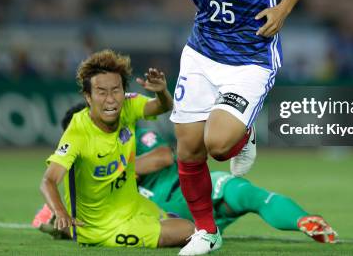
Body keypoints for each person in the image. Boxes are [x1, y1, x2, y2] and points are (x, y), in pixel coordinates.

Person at [134, 0, 320, 255]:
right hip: (201, 53)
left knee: (218, 146)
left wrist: (283, 10)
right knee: (188, 149)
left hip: (251, 57)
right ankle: (206, 231)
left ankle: (243, 134)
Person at [33, 103, 337, 245]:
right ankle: (299, 220)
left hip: (180, 191)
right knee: (240, 191)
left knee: (242, 193)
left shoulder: (130, 131)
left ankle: (303, 221)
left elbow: (164, 156)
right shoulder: (80, 162)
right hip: (161, 209)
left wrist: (119, 171)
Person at [39, 49, 194, 248]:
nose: (111, 99)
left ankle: (57, 225)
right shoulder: (78, 132)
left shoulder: (128, 105)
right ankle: (63, 225)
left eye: (115, 90)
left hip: (133, 205)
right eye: (101, 92)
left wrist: (161, 92)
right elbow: (48, 181)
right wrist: (61, 213)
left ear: (123, 90)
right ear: (88, 96)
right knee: (189, 231)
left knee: (186, 224)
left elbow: (162, 106)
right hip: (103, 227)